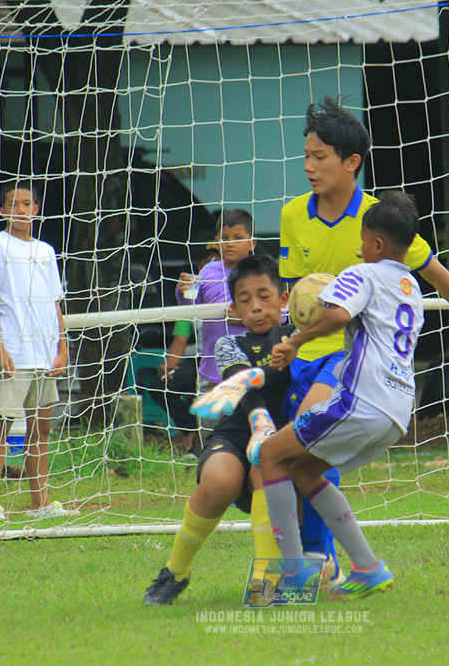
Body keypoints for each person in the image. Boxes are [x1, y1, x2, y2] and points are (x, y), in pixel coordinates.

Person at [277, 96, 449, 578]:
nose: (309, 167)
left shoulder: (382, 223)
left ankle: (314, 559)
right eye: (306, 156)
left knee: (298, 441)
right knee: (304, 455)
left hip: (348, 357)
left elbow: (438, 275)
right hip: (304, 352)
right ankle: (337, 561)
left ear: (350, 162)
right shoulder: (294, 215)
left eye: (319, 157)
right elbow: (294, 292)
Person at [254, 190, 437, 600]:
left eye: (362, 239)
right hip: (397, 411)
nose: (357, 246)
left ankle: (294, 573)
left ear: (375, 244)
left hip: (361, 400)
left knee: (269, 455)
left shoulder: (361, 273)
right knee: (303, 469)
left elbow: (337, 313)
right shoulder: (411, 288)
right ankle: (369, 568)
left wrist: (296, 341)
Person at [144, 254, 293, 606]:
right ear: (232, 308)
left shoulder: (299, 339)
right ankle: (175, 572)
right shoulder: (228, 345)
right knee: (218, 480)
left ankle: (265, 583)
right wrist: (259, 424)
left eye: (264, 296)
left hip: (284, 437)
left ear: (284, 299)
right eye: (245, 300)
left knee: (266, 468)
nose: (255, 307)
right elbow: (244, 386)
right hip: (238, 430)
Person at [0, 181, 77, 522]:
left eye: (26, 204)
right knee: (1, 424)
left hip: (44, 354)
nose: (19, 210)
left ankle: (40, 500)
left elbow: (55, 304)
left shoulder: (46, 252)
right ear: (3, 210)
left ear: (36, 210)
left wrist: (62, 348)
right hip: (13, 352)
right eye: (12, 204)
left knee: (41, 427)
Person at [175, 209, 255, 442]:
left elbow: (278, 315)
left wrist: (245, 317)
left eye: (238, 238)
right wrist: (183, 293)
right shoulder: (208, 272)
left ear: (252, 242)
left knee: (249, 435)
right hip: (211, 371)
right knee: (212, 437)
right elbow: (191, 308)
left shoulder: (260, 271)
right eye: (224, 237)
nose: (230, 244)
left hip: (249, 369)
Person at [146, 246, 221, 459]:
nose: (212, 269)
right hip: (200, 361)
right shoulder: (192, 295)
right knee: (160, 385)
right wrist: (169, 365)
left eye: (218, 264)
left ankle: (200, 448)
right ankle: (189, 429)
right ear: (199, 268)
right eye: (208, 264)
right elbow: (180, 338)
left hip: (228, 360)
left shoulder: (230, 290)